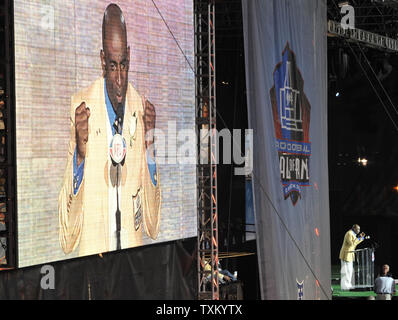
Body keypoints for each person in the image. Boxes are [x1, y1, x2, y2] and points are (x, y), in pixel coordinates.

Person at [58, 4, 161, 257]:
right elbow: (67, 238)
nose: (119, 78)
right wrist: (80, 157)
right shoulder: (80, 108)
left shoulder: (141, 107)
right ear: (103, 60)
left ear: (129, 55)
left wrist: (150, 148)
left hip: (132, 271)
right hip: (94, 272)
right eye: (113, 66)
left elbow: (153, 225)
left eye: (123, 65)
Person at [339, 224, 365, 290]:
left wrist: (360, 238)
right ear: (354, 228)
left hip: (349, 255)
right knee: (346, 271)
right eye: (358, 229)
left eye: (359, 229)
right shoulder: (349, 233)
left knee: (349, 271)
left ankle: (347, 285)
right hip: (346, 254)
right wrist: (359, 238)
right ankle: (345, 286)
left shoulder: (353, 234)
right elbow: (352, 244)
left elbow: (354, 243)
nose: (359, 230)